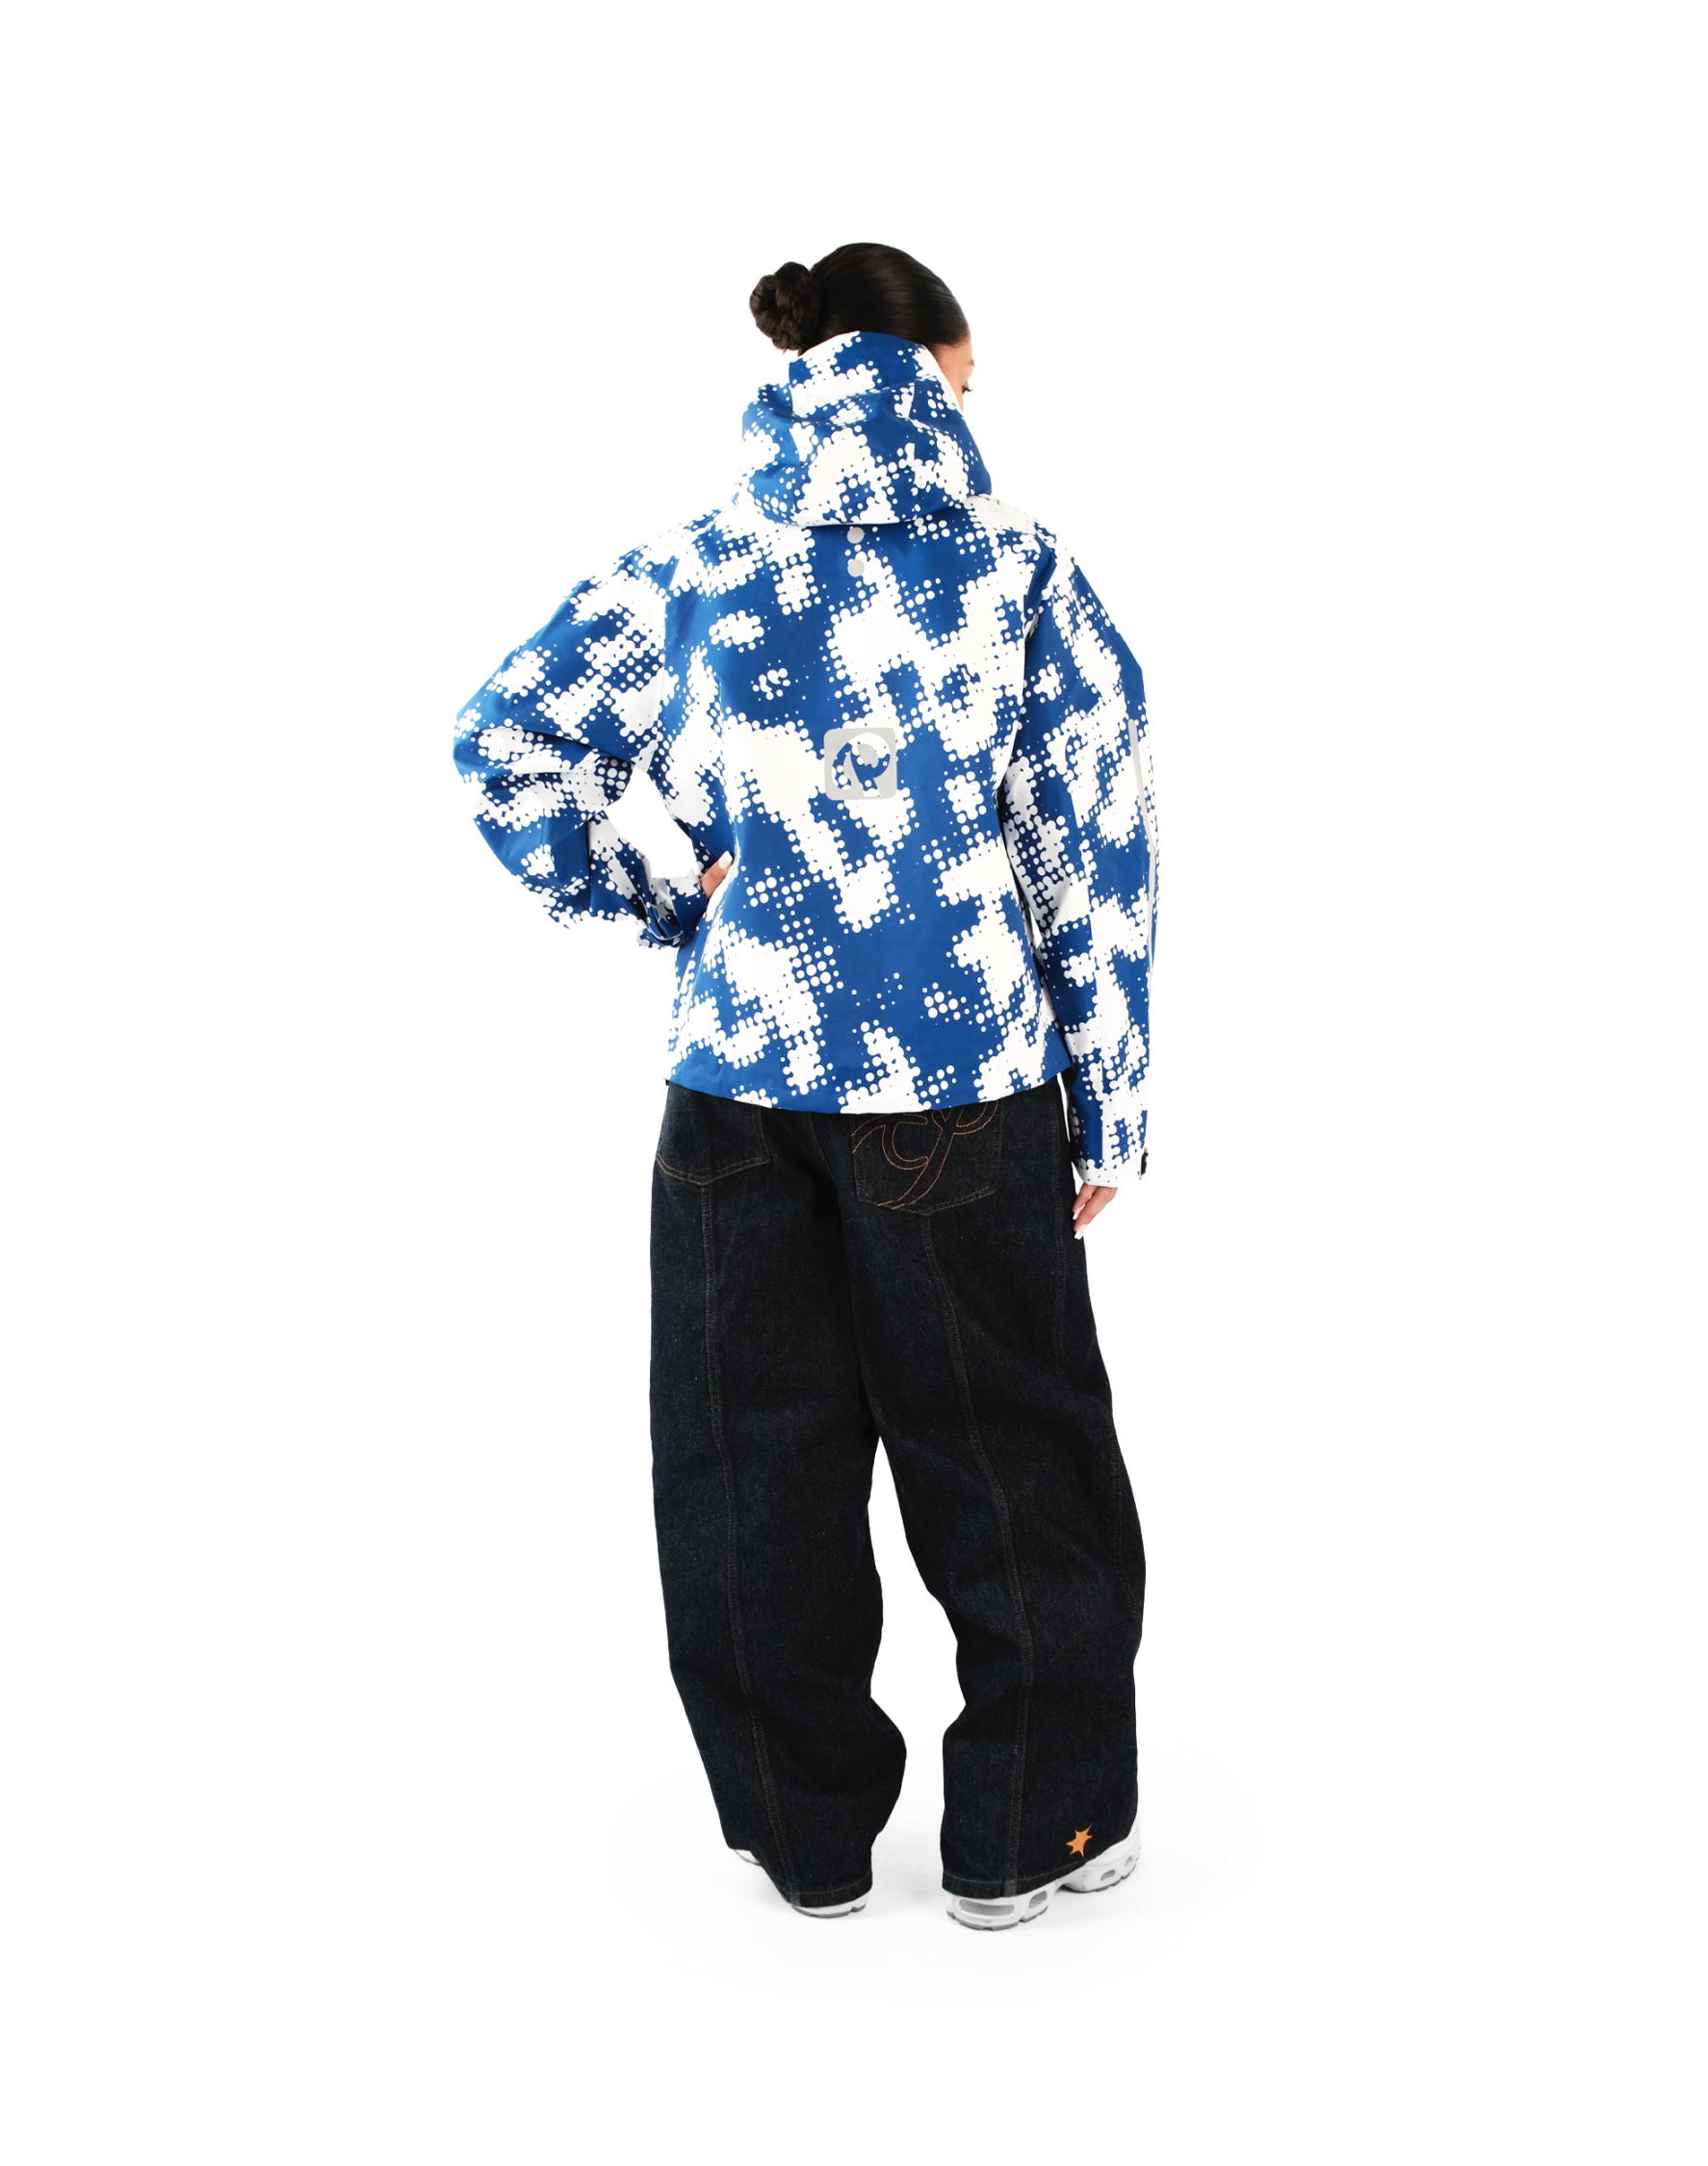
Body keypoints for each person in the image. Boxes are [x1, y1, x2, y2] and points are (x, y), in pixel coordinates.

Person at [453, 244, 1157, 1930]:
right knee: (1012, 1454)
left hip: (733, 1086)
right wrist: (1111, 1096)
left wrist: (665, 890)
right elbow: (1090, 837)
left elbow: (504, 740)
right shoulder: (1016, 566)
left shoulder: (697, 563)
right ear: (943, 374)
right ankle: (1030, 1833)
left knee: (745, 1460)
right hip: (959, 1084)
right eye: (971, 383)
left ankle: (806, 1841)